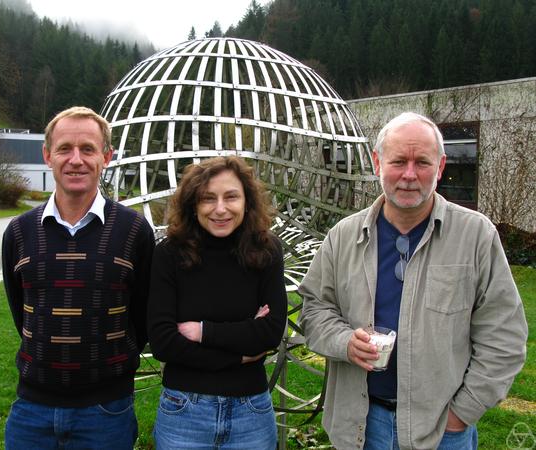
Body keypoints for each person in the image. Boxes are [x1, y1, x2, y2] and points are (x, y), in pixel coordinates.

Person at [299, 112, 528, 449]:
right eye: (398, 161)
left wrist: (462, 413)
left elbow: (504, 335)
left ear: (441, 166)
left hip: (441, 431)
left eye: (422, 162)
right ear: (378, 162)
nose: (409, 174)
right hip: (361, 427)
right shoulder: (343, 237)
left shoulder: (475, 236)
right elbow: (314, 311)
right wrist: (345, 341)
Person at [2, 106, 155, 449]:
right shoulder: (19, 231)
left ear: (106, 156)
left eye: (87, 149)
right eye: (64, 149)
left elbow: (143, 315)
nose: (76, 160)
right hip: (31, 412)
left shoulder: (134, 231)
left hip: (105, 412)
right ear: (47, 156)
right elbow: (22, 311)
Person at [147, 156, 287, 449]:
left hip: (251, 413)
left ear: (246, 202)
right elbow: (163, 343)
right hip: (184, 410)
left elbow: (271, 332)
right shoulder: (169, 255)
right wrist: (240, 353)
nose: (220, 209)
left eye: (231, 197)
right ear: (192, 205)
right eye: (208, 198)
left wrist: (202, 333)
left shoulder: (267, 251)